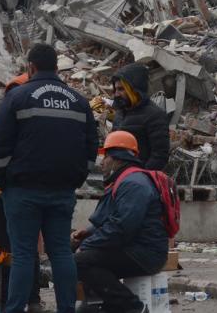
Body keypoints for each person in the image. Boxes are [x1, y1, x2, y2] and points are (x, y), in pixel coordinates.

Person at [0, 44, 97, 313]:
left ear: (31, 67)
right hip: (62, 191)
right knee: (60, 251)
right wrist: (76, 177)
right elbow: (91, 147)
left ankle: (15, 309)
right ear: (56, 69)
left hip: (22, 191)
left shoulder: (18, 97)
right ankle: (66, 309)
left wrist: (0, 179)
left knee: (24, 254)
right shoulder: (78, 101)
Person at [72, 132, 169, 313]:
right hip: (134, 247)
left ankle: (134, 308)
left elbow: (122, 227)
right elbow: (113, 219)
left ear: (118, 157)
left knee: (80, 261)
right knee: (77, 252)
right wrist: (88, 233)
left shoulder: (134, 184)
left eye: (106, 156)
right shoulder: (125, 180)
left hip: (145, 253)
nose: (102, 162)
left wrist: (88, 244)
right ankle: (101, 304)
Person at [0, 74, 41, 313]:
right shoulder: (7, 119)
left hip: (23, 193)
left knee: (25, 248)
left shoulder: (34, 124)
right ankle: (7, 298)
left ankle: (30, 298)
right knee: (7, 247)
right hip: (5, 192)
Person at [107, 64, 170, 171]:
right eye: (115, 89)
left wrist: (141, 176)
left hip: (137, 180)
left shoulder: (154, 115)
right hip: (119, 177)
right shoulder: (120, 113)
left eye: (121, 89)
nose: (116, 94)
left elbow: (159, 156)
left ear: (134, 89)